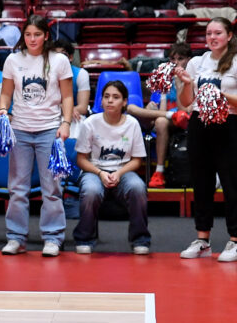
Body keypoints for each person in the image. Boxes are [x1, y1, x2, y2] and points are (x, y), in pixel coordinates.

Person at [0, 15, 74, 257]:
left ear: (46, 36)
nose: (32, 39)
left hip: (49, 129)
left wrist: (66, 123)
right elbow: (6, 94)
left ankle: (52, 238)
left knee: (51, 187)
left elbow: (68, 96)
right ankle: (16, 238)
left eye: (37, 34)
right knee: (17, 188)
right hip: (20, 129)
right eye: (28, 34)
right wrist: (2, 109)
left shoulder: (59, 60)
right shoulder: (13, 60)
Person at [175, 18, 237, 261]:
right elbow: (185, 102)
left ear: (229, 36)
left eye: (218, 33)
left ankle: (235, 240)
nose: (212, 37)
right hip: (200, 123)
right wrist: (187, 84)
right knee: (201, 183)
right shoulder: (196, 62)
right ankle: (203, 240)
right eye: (209, 33)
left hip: (229, 123)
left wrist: (220, 95)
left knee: (232, 184)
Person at [73, 80, 150, 255]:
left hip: (123, 171)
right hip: (94, 170)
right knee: (91, 191)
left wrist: (119, 173)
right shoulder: (90, 123)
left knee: (138, 188)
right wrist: (100, 173)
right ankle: (84, 238)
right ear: (101, 101)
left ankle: (140, 239)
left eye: (115, 97)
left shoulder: (132, 124)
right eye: (106, 96)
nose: (110, 100)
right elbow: (81, 160)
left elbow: (137, 160)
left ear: (124, 102)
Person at [127, 42, 192, 188]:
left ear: (188, 60)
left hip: (182, 118)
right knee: (131, 108)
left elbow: (184, 109)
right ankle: (168, 115)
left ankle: (159, 171)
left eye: (180, 59)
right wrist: (154, 109)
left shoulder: (190, 78)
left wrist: (179, 84)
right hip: (165, 118)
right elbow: (161, 108)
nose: (176, 63)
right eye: (172, 59)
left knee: (162, 121)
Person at [52, 38, 91, 128]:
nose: (59, 59)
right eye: (55, 55)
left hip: (74, 114)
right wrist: (67, 109)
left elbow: (83, 108)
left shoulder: (81, 74)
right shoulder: (45, 74)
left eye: (63, 55)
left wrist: (67, 110)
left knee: (76, 121)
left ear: (71, 57)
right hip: (52, 115)